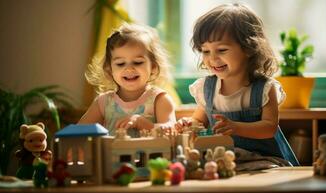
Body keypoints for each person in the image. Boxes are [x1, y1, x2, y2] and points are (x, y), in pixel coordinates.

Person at [176, 3, 299, 166]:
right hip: (223, 159)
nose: (212, 59)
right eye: (205, 51)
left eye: (221, 50)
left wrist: (236, 127)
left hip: (264, 160)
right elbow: (199, 122)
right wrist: (187, 124)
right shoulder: (206, 89)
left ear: (249, 48)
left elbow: (269, 127)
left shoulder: (264, 88)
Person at [79, 23, 176, 136]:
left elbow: (172, 131)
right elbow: (79, 133)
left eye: (137, 62)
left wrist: (142, 123)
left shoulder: (160, 100)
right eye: (120, 64)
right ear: (110, 70)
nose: (129, 69)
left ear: (153, 67)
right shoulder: (104, 102)